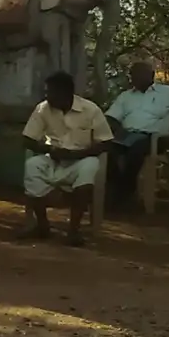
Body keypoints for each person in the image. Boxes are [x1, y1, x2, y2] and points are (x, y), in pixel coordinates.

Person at [18, 71, 114, 246]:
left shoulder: (90, 109)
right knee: (33, 165)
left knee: (90, 167)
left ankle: (74, 231)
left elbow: (106, 142)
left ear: (65, 93)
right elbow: (27, 139)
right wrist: (49, 149)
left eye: (50, 92)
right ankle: (42, 225)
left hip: (81, 159)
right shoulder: (43, 108)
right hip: (53, 158)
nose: (46, 96)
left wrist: (79, 154)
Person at [104, 61, 169, 205]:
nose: (134, 79)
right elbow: (111, 117)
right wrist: (115, 130)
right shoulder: (126, 96)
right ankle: (119, 189)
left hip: (156, 137)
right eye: (132, 75)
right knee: (106, 150)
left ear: (151, 75)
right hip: (128, 135)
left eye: (138, 75)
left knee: (137, 149)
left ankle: (123, 193)